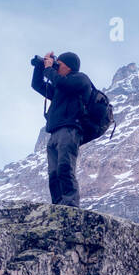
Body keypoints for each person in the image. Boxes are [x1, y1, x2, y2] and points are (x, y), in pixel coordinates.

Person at [30, 51, 92, 207]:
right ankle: (58, 205)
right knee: (53, 174)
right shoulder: (59, 88)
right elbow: (37, 85)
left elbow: (63, 83)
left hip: (70, 130)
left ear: (69, 67)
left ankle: (71, 205)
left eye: (60, 65)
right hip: (54, 133)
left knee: (65, 168)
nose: (57, 68)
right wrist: (40, 67)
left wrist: (49, 69)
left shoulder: (80, 79)